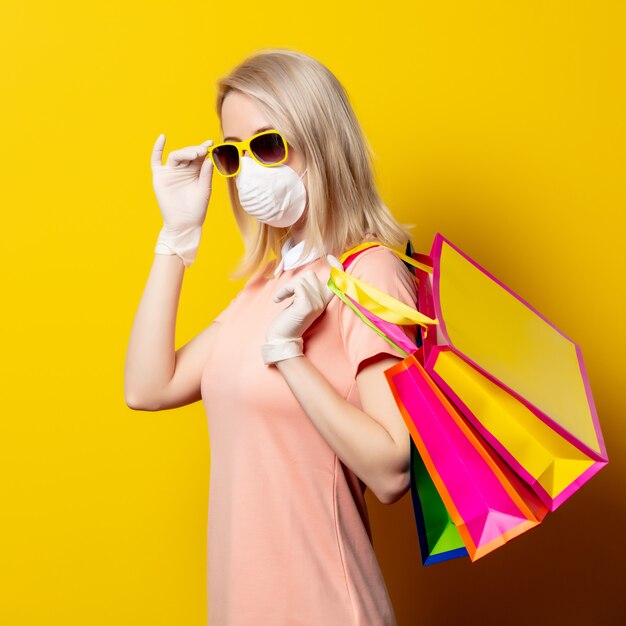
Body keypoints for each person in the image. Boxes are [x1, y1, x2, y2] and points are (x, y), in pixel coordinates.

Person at [125, 48, 419, 626]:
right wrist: (176, 237)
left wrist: (289, 355)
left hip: (324, 606)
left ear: (322, 141)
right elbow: (147, 386)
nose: (250, 169)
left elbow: (392, 470)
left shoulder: (368, 275)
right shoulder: (266, 285)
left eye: (268, 144)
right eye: (235, 153)